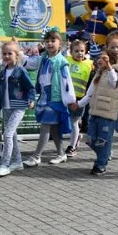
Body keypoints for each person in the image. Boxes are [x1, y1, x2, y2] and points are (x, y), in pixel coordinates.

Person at [23, 29, 76, 168]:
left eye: (53, 41)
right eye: (47, 41)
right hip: (45, 96)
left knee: (45, 126)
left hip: (55, 98)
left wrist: (70, 99)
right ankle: (61, 153)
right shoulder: (43, 58)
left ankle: (36, 156)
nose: (50, 43)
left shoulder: (61, 61)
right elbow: (30, 63)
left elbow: (67, 81)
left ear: (60, 44)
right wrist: (18, 54)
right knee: (53, 128)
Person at [78, 53, 118, 176]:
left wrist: (109, 66)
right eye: (99, 58)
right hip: (94, 112)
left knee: (103, 141)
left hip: (107, 114)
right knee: (90, 139)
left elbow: (114, 81)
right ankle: (106, 153)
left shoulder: (114, 73)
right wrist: (79, 104)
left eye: (104, 59)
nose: (101, 60)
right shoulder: (97, 75)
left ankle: (101, 164)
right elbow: (89, 93)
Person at [0, 41, 35, 177]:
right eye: (4, 53)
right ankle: (17, 161)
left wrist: (31, 99)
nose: (6, 56)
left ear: (17, 55)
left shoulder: (20, 70)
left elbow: (30, 87)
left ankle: (5, 164)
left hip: (19, 106)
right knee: (13, 135)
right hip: (6, 106)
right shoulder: (3, 72)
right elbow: (0, 92)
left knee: (7, 134)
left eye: (9, 53)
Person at [65, 39, 93, 157]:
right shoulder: (66, 61)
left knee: (74, 121)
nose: (80, 53)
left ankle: (72, 146)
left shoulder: (90, 64)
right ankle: (76, 138)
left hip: (79, 98)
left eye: (82, 50)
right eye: (76, 51)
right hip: (66, 97)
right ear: (70, 52)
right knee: (67, 122)